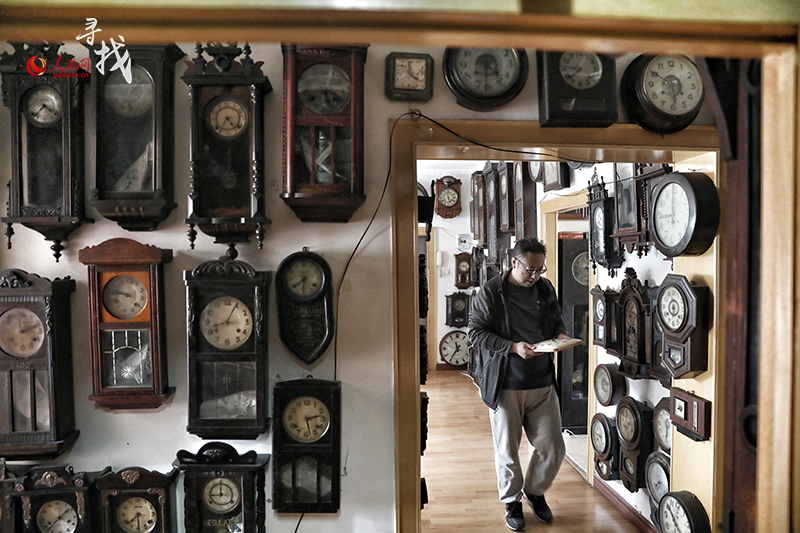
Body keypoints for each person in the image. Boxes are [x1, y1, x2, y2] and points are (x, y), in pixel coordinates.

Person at [468, 237, 569, 531]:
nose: (535, 276)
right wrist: (512, 347)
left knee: (552, 446)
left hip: (542, 381)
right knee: (507, 451)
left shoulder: (544, 287)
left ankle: (534, 492)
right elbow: (476, 333)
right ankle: (512, 501)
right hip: (506, 384)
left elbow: (556, 320)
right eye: (529, 269)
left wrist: (561, 334)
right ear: (513, 262)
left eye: (540, 269)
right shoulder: (490, 292)